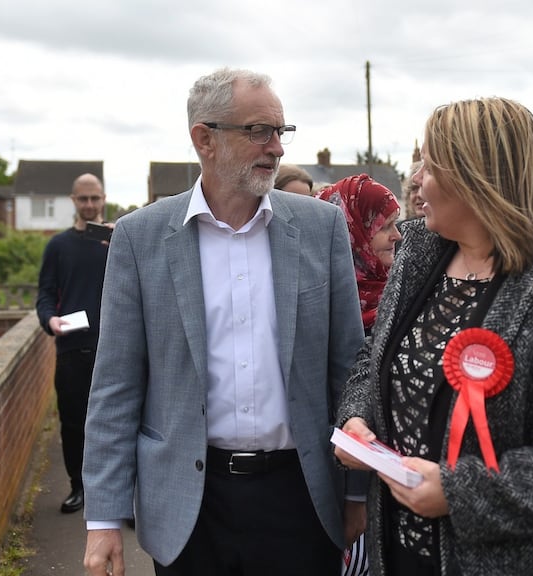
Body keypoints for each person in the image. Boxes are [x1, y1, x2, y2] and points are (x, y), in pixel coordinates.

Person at [335, 97, 533, 575]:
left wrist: (462, 493)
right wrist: (358, 416)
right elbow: (373, 357)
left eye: (430, 164)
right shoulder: (419, 253)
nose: (417, 180)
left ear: (476, 179)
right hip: (404, 554)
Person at [81, 67, 366, 576]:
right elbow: (115, 385)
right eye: (259, 131)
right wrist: (103, 518)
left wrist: (358, 493)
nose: (277, 147)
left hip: (301, 497)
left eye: (281, 131)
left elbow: (349, 369)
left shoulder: (321, 227)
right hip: (189, 506)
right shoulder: (140, 238)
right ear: (204, 139)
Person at [319, 173, 402, 576]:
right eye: (384, 226)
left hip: (393, 480)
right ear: (353, 230)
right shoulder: (319, 297)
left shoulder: (398, 290)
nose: (398, 235)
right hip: (329, 475)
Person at [35, 172, 110, 514]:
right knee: (73, 422)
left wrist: (120, 243)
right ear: (73, 201)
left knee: (118, 423)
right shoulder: (58, 246)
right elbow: (46, 295)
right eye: (83, 199)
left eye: (95, 198)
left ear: (104, 199)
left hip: (114, 348)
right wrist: (50, 320)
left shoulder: (117, 240)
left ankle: (121, 495)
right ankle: (78, 487)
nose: (90, 205)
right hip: (71, 350)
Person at [319, 174, 402, 333]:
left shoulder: (402, 289)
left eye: (395, 223)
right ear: (352, 234)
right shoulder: (315, 301)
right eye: (384, 227)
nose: (397, 235)